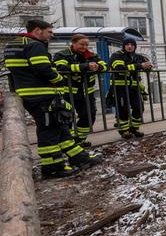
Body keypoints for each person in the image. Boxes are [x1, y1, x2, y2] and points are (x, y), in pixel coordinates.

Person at [3, 20, 101, 178]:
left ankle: (79, 158)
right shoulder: (35, 45)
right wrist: (59, 79)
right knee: (48, 130)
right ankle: (53, 167)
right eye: (49, 31)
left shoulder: (12, 45)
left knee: (59, 127)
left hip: (30, 93)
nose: (52, 35)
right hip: (42, 94)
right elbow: (44, 69)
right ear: (37, 30)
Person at [53, 34, 107, 147]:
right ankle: (69, 142)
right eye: (81, 44)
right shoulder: (62, 54)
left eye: (86, 44)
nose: (84, 47)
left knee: (89, 115)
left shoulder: (91, 55)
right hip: (68, 93)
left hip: (87, 92)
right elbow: (60, 68)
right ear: (73, 43)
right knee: (67, 117)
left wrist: (98, 67)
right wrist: (85, 66)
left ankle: (79, 139)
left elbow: (105, 66)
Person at [109, 37, 152, 139]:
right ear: (124, 46)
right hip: (120, 87)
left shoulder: (138, 56)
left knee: (139, 107)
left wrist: (148, 66)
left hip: (134, 87)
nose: (129, 46)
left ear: (135, 46)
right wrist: (139, 66)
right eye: (127, 44)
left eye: (132, 45)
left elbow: (148, 66)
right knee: (122, 109)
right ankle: (124, 131)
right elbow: (119, 68)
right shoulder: (116, 55)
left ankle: (134, 128)